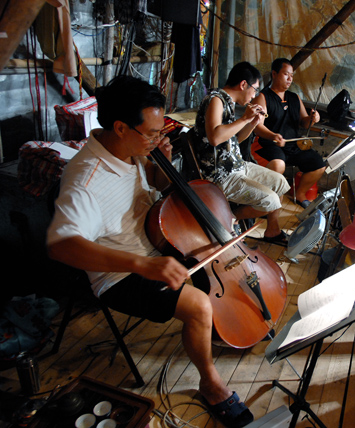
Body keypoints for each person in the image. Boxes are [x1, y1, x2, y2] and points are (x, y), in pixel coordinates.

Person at [47, 76, 254, 427]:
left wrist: (159, 169)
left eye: (162, 132)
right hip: (121, 273)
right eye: (152, 133)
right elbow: (61, 246)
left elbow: (153, 194)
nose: (158, 140)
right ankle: (210, 382)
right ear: (120, 127)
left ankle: (227, 328)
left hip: (156, 246)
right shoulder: (85, 179)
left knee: (217, 256)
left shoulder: (129, 151)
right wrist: (141, 264)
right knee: (199, 303)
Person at [194, 61, 290, 243]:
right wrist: (244, 118)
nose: (254, 96)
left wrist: (251, 123)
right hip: (221, 174)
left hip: (237, 165)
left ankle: (232, 217)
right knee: (271, 202)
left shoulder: (227, 102)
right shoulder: (215, 100)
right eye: (254, 89)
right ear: (243, 84)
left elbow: (234, 140)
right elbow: (215, 138)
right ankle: (231, 217)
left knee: (281, 184)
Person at [252, 58, 326, 209]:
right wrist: (273, 136)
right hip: (269, 144)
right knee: (279, 165)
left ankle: (299, 195)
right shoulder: (263, 97)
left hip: (292, 144)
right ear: (274, 74)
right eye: (286, 74)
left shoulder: (294, 98)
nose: (290, 79)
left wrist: (313, 119)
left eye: (291, 75)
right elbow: (257, 126)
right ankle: (271, 203)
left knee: (319, 164)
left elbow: (304, 121)